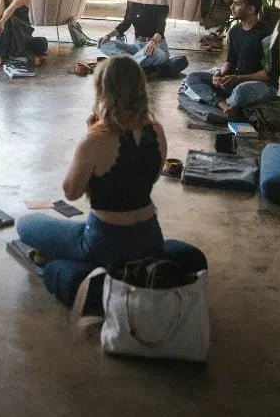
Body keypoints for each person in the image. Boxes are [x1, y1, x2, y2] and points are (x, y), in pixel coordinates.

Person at [16, 55, 207, 307]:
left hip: (101, 241)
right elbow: (149, 176)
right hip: (150, 237)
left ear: (103, 91)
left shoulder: (95, 140)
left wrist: (89, 138)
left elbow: (71, 192)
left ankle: (77, 271)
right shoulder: (157, 131)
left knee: (26, 225)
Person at [182, 0, 280, 117]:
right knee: (192, 78)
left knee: (241, 91)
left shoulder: (267, 35)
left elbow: (269, 74)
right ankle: (224, 105)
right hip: (236, 81)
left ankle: (224, 101)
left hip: (262, 86)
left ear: (251, 9)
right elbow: (230, 61)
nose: (231, 8)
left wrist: (238, 78)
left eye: (236, 4)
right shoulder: (235, 31)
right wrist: (221, 75)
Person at [97, 0, 188, 78]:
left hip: (156, 47)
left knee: (154, 54)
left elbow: (160, 30)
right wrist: (108, 36)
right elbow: (125, 24)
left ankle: (124, 65)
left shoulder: (160, 0)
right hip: (137, 46)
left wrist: (153, 42)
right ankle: (135, 65)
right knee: (102, 44)